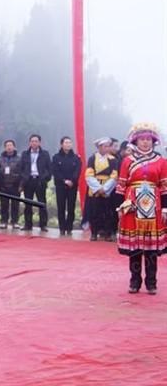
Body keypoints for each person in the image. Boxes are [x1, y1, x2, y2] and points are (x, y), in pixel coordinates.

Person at [116, 123, 167, 294]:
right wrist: (119, 207)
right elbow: (121, 185)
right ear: (135, 141)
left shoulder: (161, 161)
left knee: (151, 247)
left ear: (153, 141)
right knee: (135, 246)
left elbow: (165, 187)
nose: (145, 142)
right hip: (132, 205)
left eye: (148, 139)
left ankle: (151, 282)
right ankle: (135, 281)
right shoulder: (127, 161)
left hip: (154, 206)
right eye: (142, 139)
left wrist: (165, 209)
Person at [85, 137, 119, 241]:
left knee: (108, 212)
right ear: (99, 147)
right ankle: (94, 233)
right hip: (94, 188)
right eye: (105, 146)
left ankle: (107, 233)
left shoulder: (113, 160)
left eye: (108, 146)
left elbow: (114, 175)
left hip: (108, 188)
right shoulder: (92, 158)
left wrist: (105, 189)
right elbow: (89, 174)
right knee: (94, 211)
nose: (107, 148)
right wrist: (98, 188)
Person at [19, 134, 51, 232]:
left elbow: (49, 168)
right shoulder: (25, 154)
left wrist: (45, 178)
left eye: (36, 141)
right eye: (32, 141)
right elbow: (21, 168)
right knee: (28, 203)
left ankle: (43, 225)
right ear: (29, 143)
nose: (34, 143)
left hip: (39, 180)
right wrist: (23, 178)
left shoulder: (45, 154)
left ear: (39, 142)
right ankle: (28, 224)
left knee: (41, 203)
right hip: (28, 180)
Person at [52, 136, 82, 236]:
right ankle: (62, 228)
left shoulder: (76, 158)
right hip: (60, 185)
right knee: (61, 207)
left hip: (72, 186)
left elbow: (77, 170)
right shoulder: (56, 157)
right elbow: (55, 171)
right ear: (61, 144)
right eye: (66, 142)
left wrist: (72, 180)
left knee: (71, 207)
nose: (68, 144)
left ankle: (69, 228)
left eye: (69, 142)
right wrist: (64, 181)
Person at [0, 140, 22, 230]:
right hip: (3, 185)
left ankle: (15, 222)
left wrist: (20, 184)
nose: (9, 147)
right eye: (7, 145)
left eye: (11, 145)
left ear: (14, 147)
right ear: (5, 147)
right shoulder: (0, 158)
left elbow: (21, 171)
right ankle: (4, 221)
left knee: (15, 205)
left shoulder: (19, 158)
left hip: (15, 185)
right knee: (4, 205)